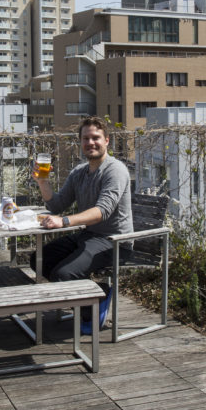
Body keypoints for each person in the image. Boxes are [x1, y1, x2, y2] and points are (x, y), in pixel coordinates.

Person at [34, 116, 132, 285]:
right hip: (88, 236)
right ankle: (81, 298)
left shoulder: (115, 170)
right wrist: (43, 182)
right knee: (39, 260)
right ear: (80, 142)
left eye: (96, 138)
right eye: (86, 138)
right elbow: (57, 205)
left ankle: (92, 308)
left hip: (114, 242)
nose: (91, 142)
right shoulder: (79, 171)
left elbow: (102, 211)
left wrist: (64, 221)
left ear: (107, 141)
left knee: (64, 274)